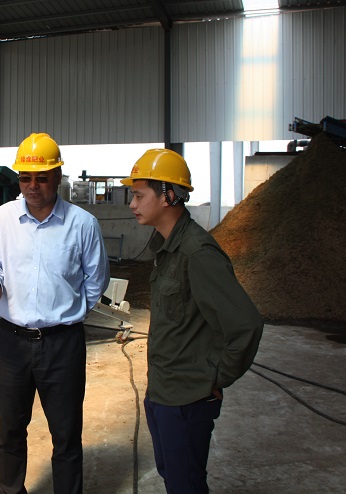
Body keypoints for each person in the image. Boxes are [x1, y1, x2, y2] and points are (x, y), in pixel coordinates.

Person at [0, 133, 110, 494]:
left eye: (42, 178)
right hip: (12, 342)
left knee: (66, 435)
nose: (32, 186)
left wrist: (67, 313)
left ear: (58, 176)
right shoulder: (2, 219)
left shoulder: (82, 224)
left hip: (63, 345)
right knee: (10, 430)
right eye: (25, 178)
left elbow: (95, 282)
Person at [122, 149, 263, 494]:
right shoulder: (166, 247)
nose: (132, 204)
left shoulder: (197, 253)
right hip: (163, 391)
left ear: (168, 195)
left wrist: (213, 379)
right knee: (174, 477)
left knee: (186, 484)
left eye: (139, 195)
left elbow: (245, 324)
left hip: (187, 399)